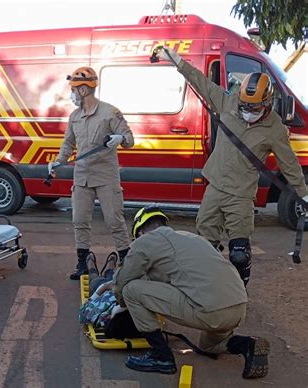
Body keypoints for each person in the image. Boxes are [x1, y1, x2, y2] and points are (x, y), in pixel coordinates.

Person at [155, 47, 308, 286]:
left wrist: (303, 193)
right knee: (204, 245)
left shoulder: (275, 128)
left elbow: (288, 163)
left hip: (241, 194)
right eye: (245, 106)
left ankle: (237, 295)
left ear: (267, 103)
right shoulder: (229, 102)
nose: (247, 112)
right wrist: (177, 61)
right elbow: (201, 82)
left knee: (239, 253)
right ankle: (208, 288)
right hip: (215, 186)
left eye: (254, 108)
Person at [113, 206, 269, 379]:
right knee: (209, 345)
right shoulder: (191, 238)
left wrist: (121, 305)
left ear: (140, 231)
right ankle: (247, 345)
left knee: (131, 290)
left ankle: (161, 356)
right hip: (238, 307)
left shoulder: (146, 241)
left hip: (209, 310)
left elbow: (122, 282)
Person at [49, 67, 134, 280]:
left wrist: (120, 139)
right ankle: (82, 263)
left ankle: (128, 262)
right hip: (82, 177)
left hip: (105, 176)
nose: (72, 94)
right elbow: (68, 143)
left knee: (114, 220)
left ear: (85, 90)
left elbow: (129, 139)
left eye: (74, 90)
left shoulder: (109, 112)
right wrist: (58, 162)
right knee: (79, 220)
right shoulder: (75, 117)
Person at [80, 252, 141, 339]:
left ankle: (93, 265)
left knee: (95, 279)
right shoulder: (135, 311)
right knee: (110, 278)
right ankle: (108, 267)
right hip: (117, 289)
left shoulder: (102, 315)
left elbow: (84, 311)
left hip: (105, 291)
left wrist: (104, 288)